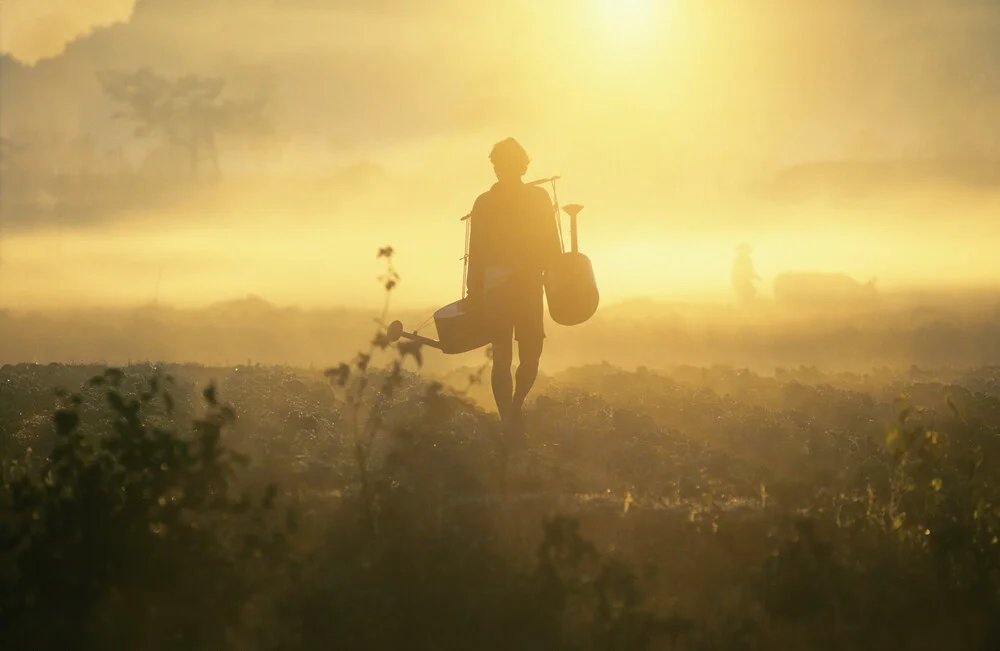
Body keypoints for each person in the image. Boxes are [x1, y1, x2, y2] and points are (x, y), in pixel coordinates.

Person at [465, 138, 562, 430]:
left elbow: (551, 244)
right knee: (507, 355)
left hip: (523, 284)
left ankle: (512, 410)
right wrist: (474, 291)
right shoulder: (485, 202)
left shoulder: (537, 198)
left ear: (520, 166)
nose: (500, 170)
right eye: (497, 165)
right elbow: (477, 250)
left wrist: (556, 276)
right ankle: (510, 415)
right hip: (508, 286)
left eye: (503, 164)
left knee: (524, 354)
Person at [731, 242, 761, 306]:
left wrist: (756, 277)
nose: (746, 252)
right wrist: (755, 276)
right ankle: (744, 308)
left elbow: (750, 271)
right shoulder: (738, 260)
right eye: (744, 250)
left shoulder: (748, 260)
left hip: (744, 281)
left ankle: (745, 308)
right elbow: (738, 272)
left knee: (750, 292)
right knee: (748, 293)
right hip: (739, 281)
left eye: (747, 250)